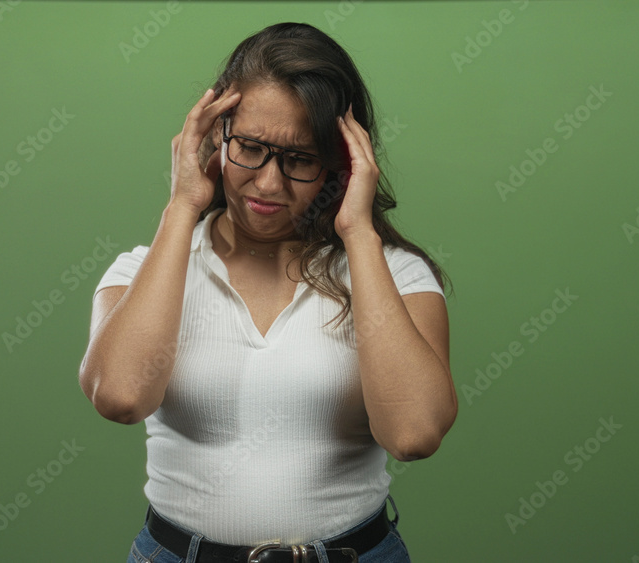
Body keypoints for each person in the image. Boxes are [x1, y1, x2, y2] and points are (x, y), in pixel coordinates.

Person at [79, 22, 457, 563]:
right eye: (251, 148)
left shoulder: (396, 276)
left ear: (341, 162)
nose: (269, 184)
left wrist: (358, 233)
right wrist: (182, 206)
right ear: (216, 137)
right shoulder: (141, 270)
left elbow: (414, 434)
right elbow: (119, 397)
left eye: (300, 159)